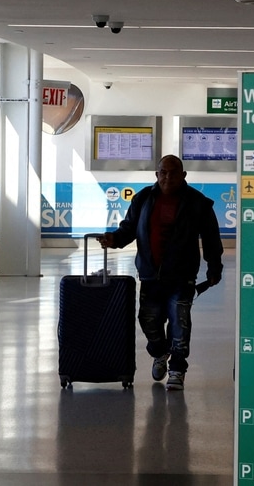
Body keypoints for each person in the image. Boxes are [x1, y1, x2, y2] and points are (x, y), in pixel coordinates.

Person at [93, 155, 223, 390]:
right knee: (148, 320)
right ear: (157, 174)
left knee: (179, 322)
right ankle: (160, 353)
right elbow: (129, 228)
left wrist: (215, 267)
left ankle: (177, 369)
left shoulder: (197, 202)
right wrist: (114, 239)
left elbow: (211, 237)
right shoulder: (143, 198)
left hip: (182, 275)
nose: (167, 177)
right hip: (150, 274)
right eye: (163, 172)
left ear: (183, 176)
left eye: (173, 173)